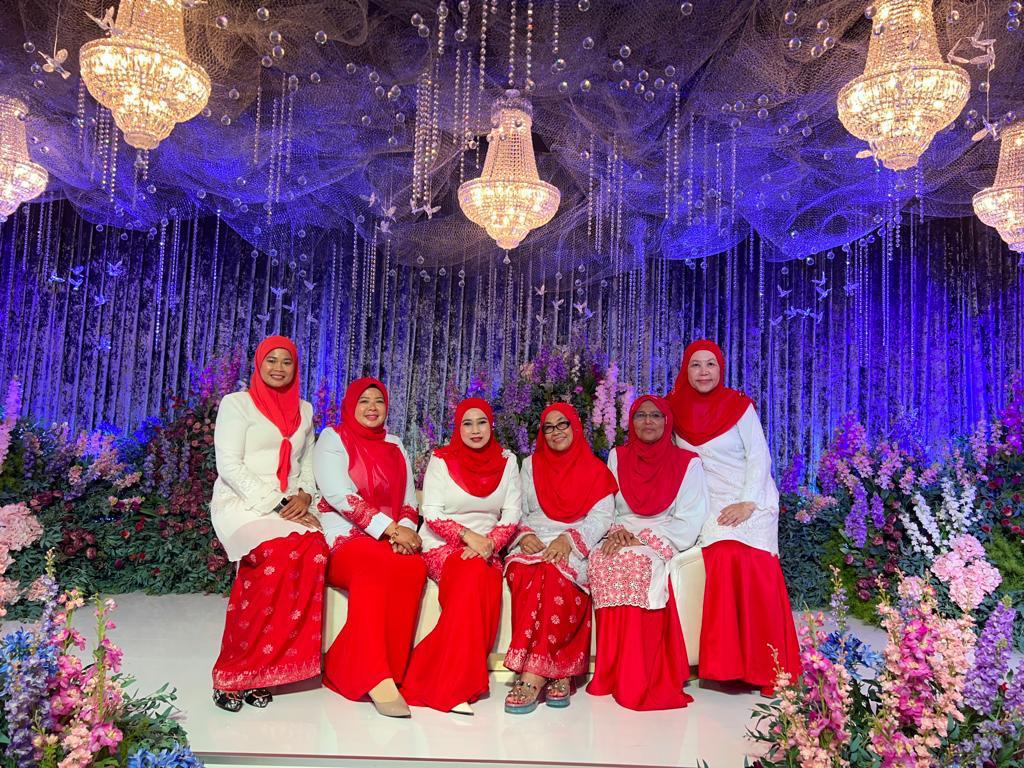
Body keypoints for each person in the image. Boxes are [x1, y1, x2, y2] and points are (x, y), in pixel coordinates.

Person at [667, 339, 800, 695]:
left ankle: (771, 668)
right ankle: (729, 666)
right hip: (709, 502)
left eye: (711, 364)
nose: (704, 372)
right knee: (724, 555)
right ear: (685, 369)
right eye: (696, 364)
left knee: (755, 562)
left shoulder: (739, 406)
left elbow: (759, 457)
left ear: (721, 368)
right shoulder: (673, 410)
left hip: (750, 496)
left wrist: (747, 502)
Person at [210, 336, 328, 712]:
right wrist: (277, 503)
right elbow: (229, 465)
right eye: (271, 360)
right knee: (271, 557)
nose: (279, 368)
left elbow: (306, 464)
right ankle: (232, 673)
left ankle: (265, 671)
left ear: (296, 368)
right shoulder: (236, 404)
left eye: (286, 361)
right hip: (242, 503)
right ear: (259, 364)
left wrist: (304, 496)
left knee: (314, 550)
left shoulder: (305, 410)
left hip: (289, 504)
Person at [401, 398, 523, 715]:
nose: (475, 430)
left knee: (482, 575)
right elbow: (431, 512)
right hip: (442, 544)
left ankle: (440, 675)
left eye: (481, 422)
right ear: (458, 427)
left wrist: (490, 543)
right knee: (471, 574)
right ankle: (455, 686)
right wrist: (469, 537)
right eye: (467, 423)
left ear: (491, 425)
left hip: (488, 547)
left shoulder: (508, 461)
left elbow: (512, 513)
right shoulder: (441, 460)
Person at [313, 377, 426, 718]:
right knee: (374, 566)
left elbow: (409, 500)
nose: (372, 408)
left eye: (378, 401)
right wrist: (392, 531)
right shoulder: (332, 438)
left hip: (390, 535)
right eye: (364, 401)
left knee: (413, 566)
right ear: (351, 405)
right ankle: (374, 676)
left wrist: (405, 533)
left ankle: (381, 668)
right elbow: (340, 495)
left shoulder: (395, 444)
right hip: (345, 536)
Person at [587, 395, 708, 710]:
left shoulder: (688, 463)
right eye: (641, 415)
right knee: (602, 560)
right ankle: (610, 671)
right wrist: (617, 532)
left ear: (667, 421)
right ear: (631, 421)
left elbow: (691, 517)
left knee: (639, 563)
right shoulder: (618, 456)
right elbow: (608, 506)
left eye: (656, 415)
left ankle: (638, 674)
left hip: (663, 534)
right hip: (621, 533)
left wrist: (644, 540)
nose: (648, 421)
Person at [503, 403, 617, 714]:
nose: (556, 432)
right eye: (549, 427)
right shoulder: (530, 466)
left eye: (562, 424)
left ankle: (532, 676)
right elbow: (516, 508)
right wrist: (523, 535)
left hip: (573, 540)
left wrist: (568, 540)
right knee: (529, 572)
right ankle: (560, 672)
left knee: (554, 574)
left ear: (575, 426)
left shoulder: (596, 470)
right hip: (534, 538)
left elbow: (602, 517)